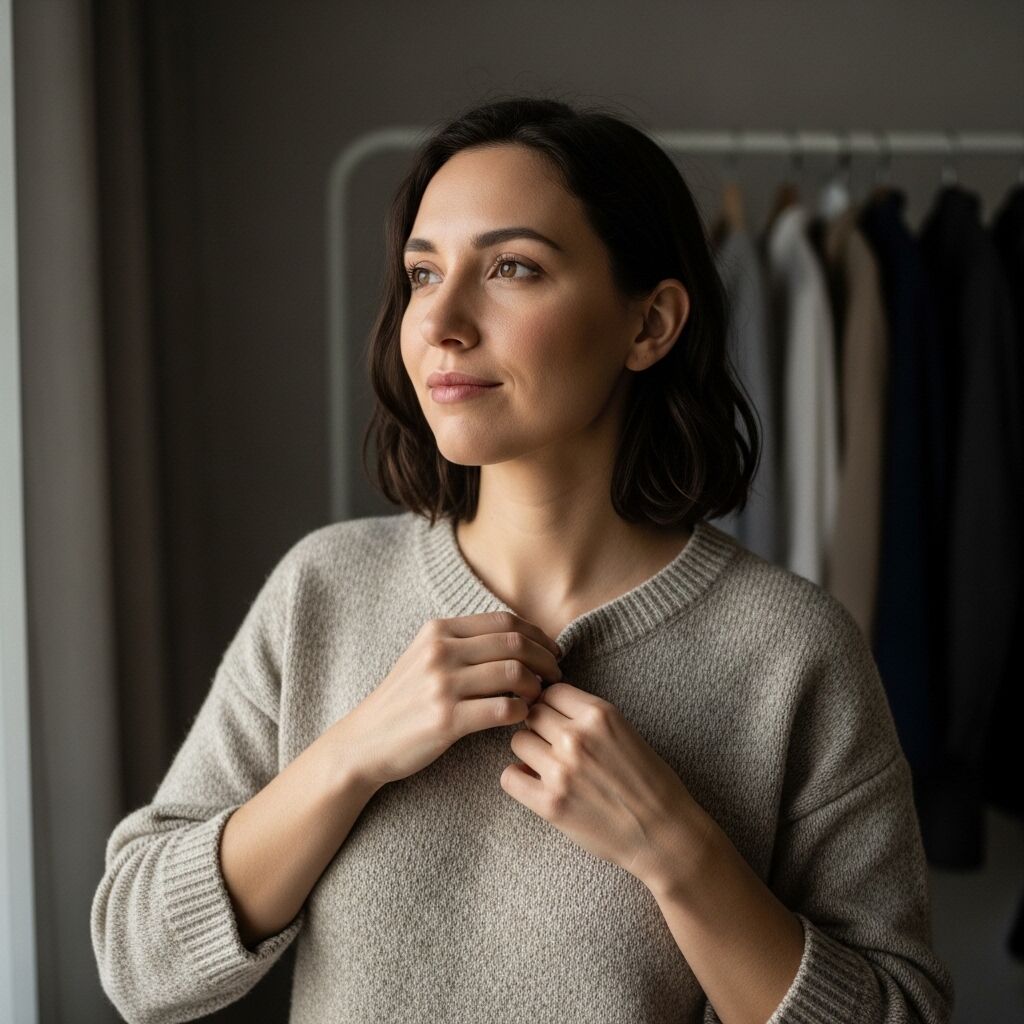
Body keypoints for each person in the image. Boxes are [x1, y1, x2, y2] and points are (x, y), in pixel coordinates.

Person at [91, 96, 955, 1024]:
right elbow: (140, 968)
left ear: (651, 324)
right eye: (423, 275)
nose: (442, 324)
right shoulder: (324, 590)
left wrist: (679, 851)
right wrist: (351, 754)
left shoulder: (793, 648)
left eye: (512, 268)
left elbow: (897, 1012)